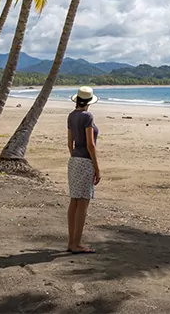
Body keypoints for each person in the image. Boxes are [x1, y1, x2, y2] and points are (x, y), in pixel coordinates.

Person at [67, 86, 100, 254]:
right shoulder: (87, 116)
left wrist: (75, 156)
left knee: (74, 201)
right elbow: (90, 144)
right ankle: (76, 243)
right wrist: (96, 167)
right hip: (85, 161)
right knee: (83, 203)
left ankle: (71, 241)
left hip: (74, 160)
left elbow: (69, 143)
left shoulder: (71, 116)